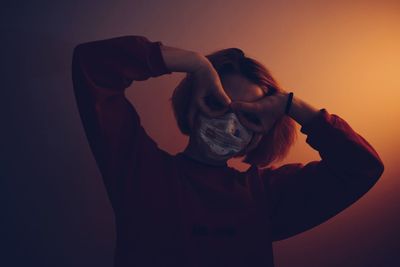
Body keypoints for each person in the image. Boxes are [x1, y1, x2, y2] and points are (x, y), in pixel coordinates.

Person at [71, 35, 384, 267]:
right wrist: (195, 64)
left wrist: (292, 105)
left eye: (250, 117)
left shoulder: (266, 196)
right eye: (217, 103)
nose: (229, 125)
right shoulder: (141, 171)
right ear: (192, 106)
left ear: (261, 137)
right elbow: (93, 64)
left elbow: (360, 168)